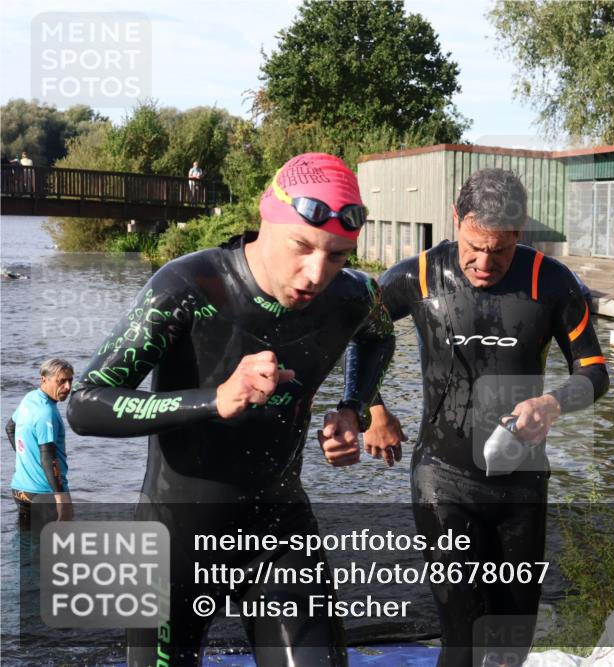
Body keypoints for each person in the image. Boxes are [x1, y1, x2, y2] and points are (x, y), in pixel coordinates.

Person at [68, 152, 394, 667]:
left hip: (279, 529)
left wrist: (353, 408)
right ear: (268, 218)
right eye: (302, 247)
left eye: (337, 255)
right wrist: (214, 400)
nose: (316, 274)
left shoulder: (355, 296)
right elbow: (85, 405)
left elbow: (379, 337)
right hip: (174, 538)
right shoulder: (188, 285)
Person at [363, 168, 610, 666]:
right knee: (465, 634)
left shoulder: (552, 282)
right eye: (473, 246)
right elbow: (360, 333)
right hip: (443, 478)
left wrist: (554, 402)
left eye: (499, 250)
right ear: (456, 220)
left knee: (510, 640)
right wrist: (372, 408)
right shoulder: (419, 275)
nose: (482, 262)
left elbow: (595, 372)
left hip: (520, 483)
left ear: (519, 234)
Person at [6, 358, 75, 528]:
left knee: (27, 543)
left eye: (70, 380)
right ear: (44, 379)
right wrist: (61, 498)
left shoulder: (29, 399)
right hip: (45, 493)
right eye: (61, 381)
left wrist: (28, 459)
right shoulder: (46, 413)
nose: (67, 387)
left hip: (20, 490)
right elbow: (48, 457)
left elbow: (10, 428)